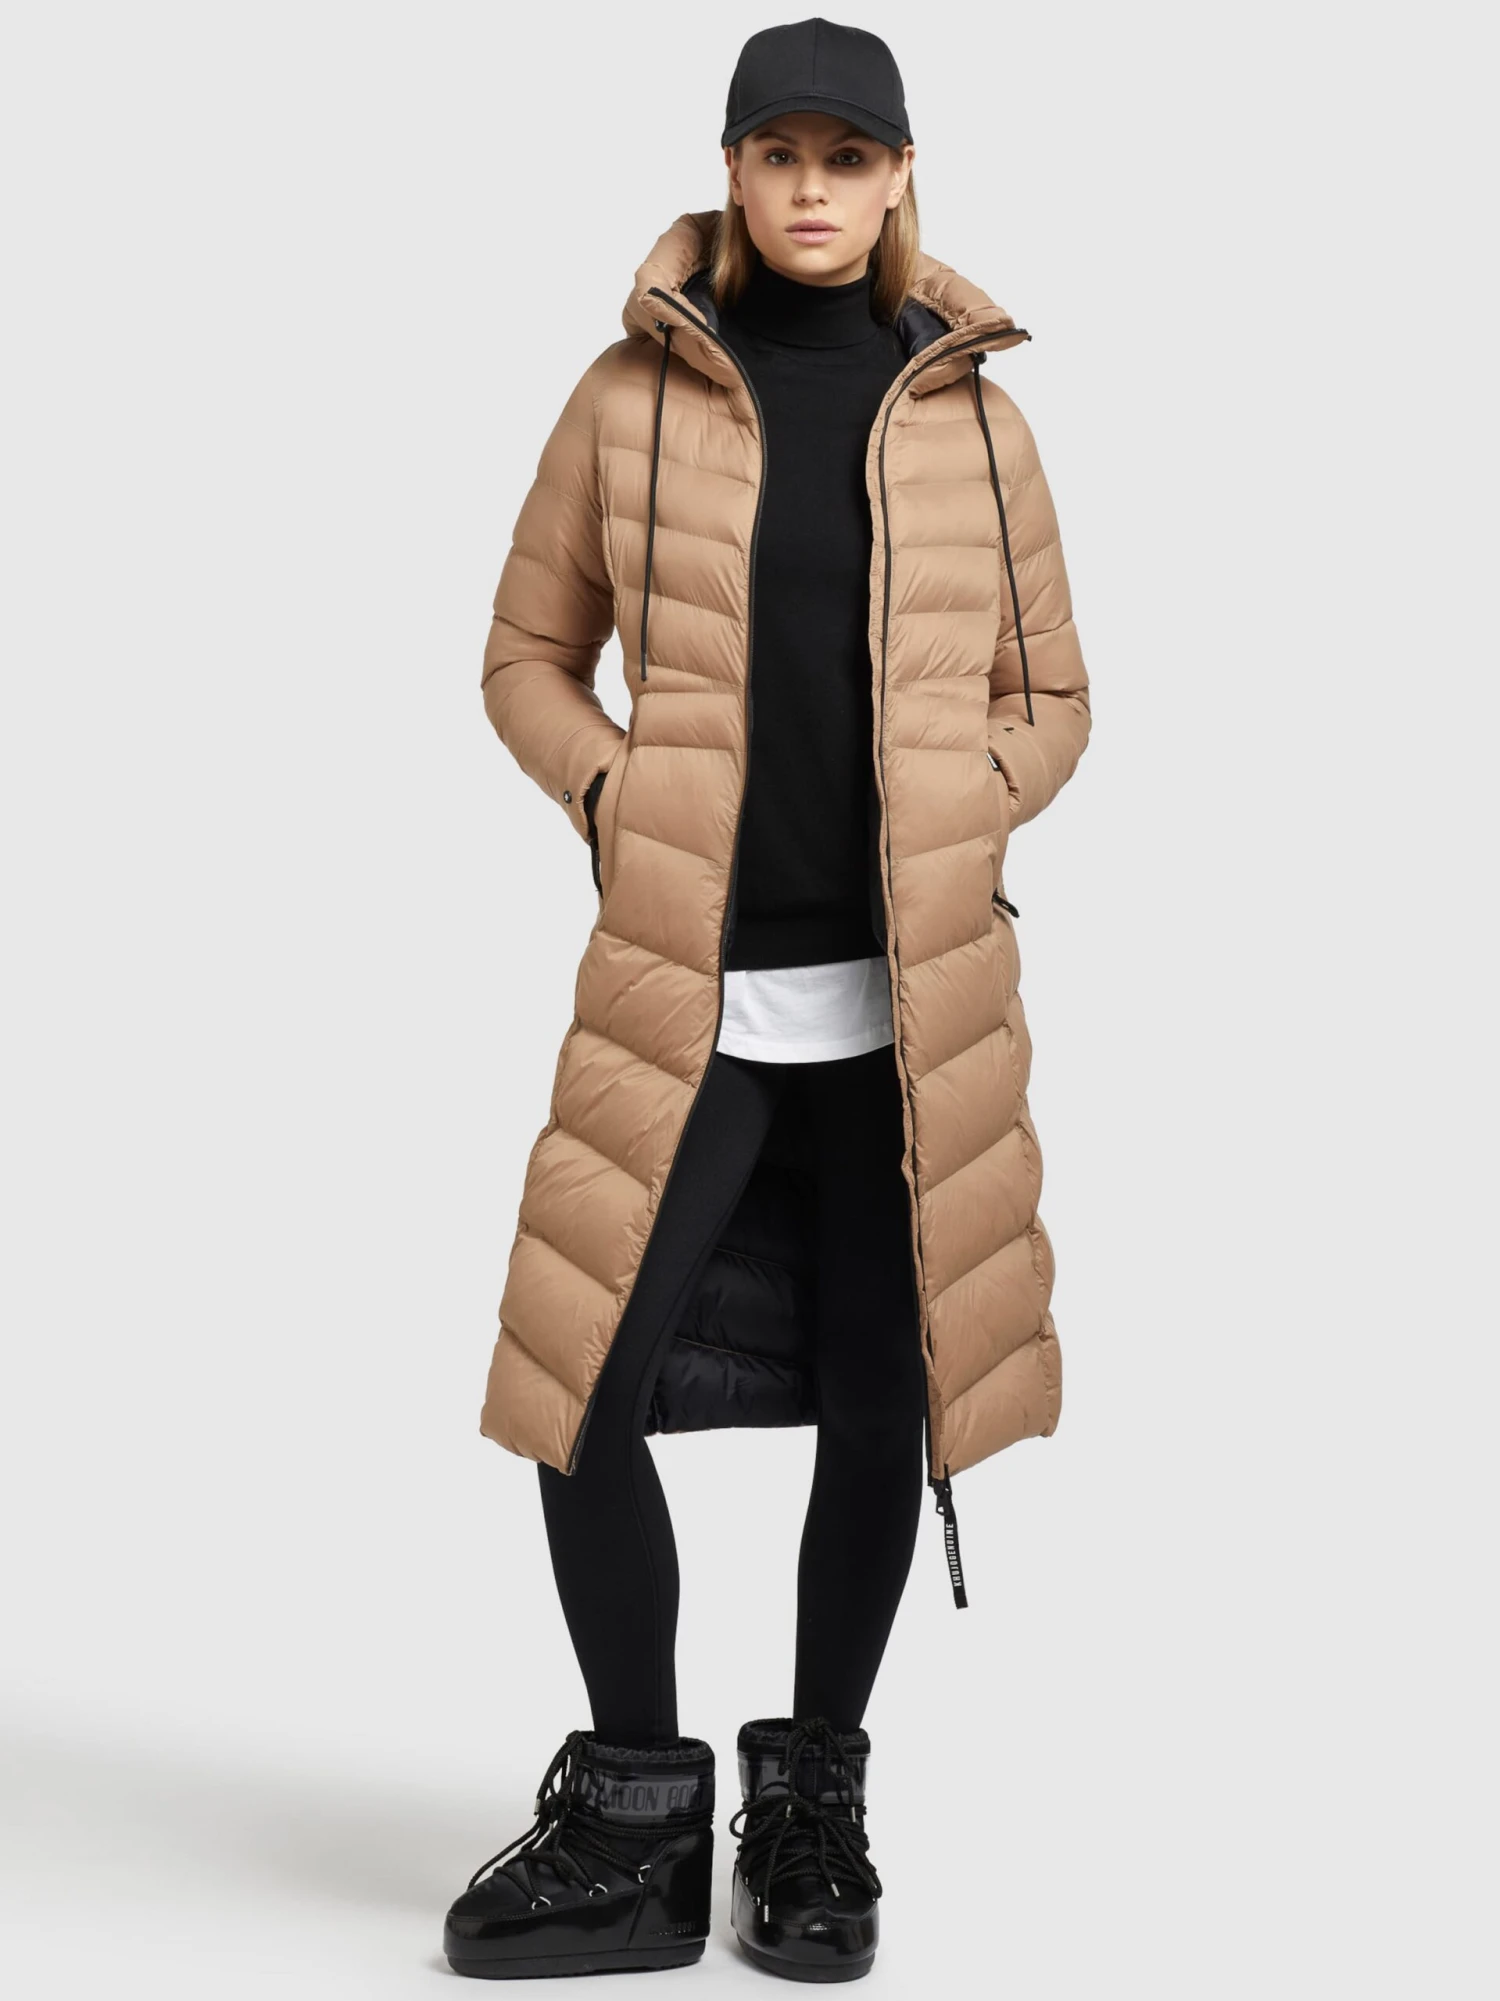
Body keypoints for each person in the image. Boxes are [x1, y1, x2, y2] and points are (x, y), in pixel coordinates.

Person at [443, 16, 1092, 1982]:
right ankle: (636, 1822)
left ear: (900, 179)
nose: (815, 188)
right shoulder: (628, 398)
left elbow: (1055, 700)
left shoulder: (974, 418)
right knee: (582, 1394)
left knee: (886, 1404)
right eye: (781, 154)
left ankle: (813, 1807)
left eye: (849, 157)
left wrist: (969, 801)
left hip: (910, 1007)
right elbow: (525, 657)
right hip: (688, 995)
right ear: (732, 170)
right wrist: (611, 791)